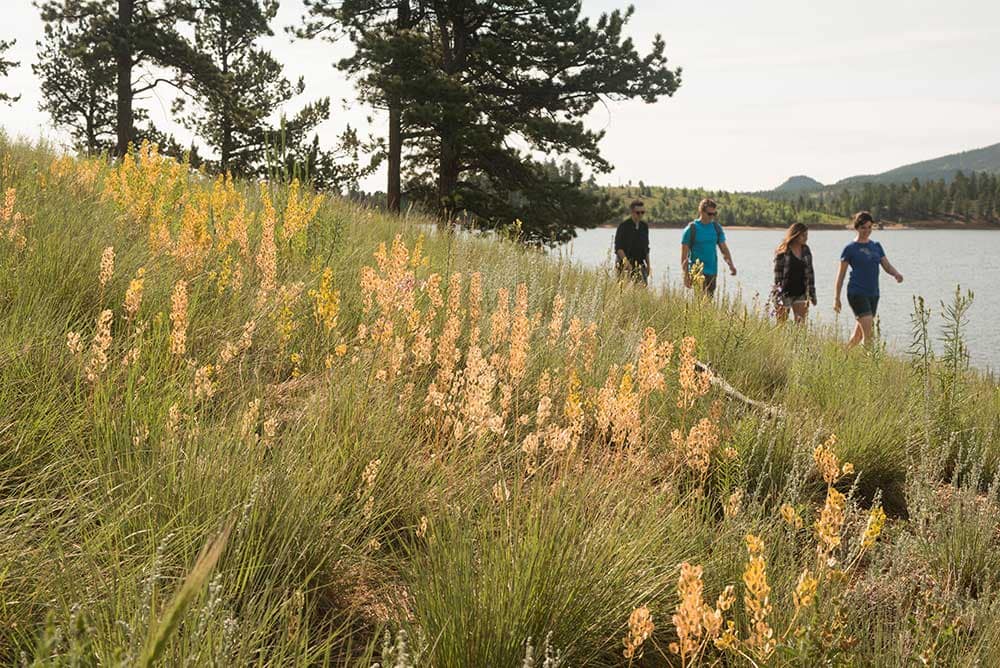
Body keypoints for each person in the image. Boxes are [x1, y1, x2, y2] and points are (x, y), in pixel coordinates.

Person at [834, 211, 904, 348]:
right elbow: (841, 275)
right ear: (857, 227)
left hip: (873, 294)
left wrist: (896, 274)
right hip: (857, 293)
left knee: (858, 335)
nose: (866, 231)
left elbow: (886, 265)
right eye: (863, 228)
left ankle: (843, 357)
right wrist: (836, 298)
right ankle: (869, 364)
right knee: (869, 335)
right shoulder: (850, 249)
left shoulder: (876, 246)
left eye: (869, 227)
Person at [681, 198, 736, 296]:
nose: (712, 217)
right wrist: (686, 275)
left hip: (712, 271)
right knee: (699, 302)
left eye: (714, 214)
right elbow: (684, 256)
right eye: (710, 214)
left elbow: (724, 249)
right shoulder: (691, 229)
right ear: (701, 211)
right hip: (696, 271)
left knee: (709, 302)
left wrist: (731, 265)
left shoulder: (716, 228)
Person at [772, 222, 817, 323]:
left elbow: (810, 273)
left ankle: (797, 340)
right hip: (785, 293)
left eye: (807, 235)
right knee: (780, 324)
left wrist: (812, 294)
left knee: (800, 326)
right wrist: (777, 296)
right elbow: (777, 276)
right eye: (803, 235)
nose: (806, 238)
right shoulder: (783, 251)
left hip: (800, 292)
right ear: (796, 235)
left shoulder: (806, 250)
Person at [615, 200, 650, 285]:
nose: (640, 215)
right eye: (638, 212)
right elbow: (618, 248)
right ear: (632, 212)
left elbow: (646, 248)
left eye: (642, 212)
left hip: (640, 264)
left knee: (642, 293)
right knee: (624, 292)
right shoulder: (623, 226)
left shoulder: (644, 226)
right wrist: (627, 263)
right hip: (624, 265)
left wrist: (648, 265)